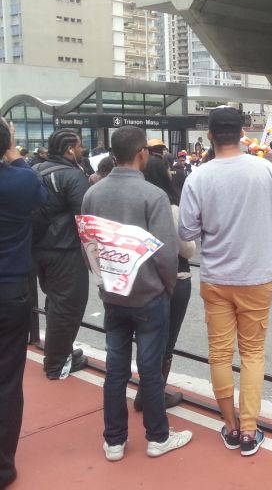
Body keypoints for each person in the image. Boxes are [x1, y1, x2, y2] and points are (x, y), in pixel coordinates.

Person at [179, 107, 272, 456]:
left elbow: (186, 232)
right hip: (256, 278)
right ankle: (249, 431)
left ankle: (229, 426)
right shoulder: (266, 170)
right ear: (243, 133)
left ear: (209, 135)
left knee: (219, 353)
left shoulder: (197, 176)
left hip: (215, 276)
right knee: (253, 354)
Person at [82, 126, 192, 461]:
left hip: (113, 293)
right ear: (142, 152)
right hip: (149, 295)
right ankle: (157, 436)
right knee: (150, 368)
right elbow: (164, 253)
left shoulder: (93, 194)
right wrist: (166, 287)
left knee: (115, 369)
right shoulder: (153, 196)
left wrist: (105, 278)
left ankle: (114, 440)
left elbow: (89, 245)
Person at [0, 120, 48, 487]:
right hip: (10, 288)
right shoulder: (21, 180)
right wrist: (11, 147)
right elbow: (38, 195)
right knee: (7, 378)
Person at [138, 155, 197, 411]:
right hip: (174, 277)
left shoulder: (135, 201)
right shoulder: (168, 206)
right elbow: (187, 249)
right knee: (165, 341)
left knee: (146, 339)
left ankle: (145, 390)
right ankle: (153, 395)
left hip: (141, 277)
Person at [32, 129, 91, 379]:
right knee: (68, 306)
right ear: (69, 149)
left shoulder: (34, 171)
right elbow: (84, 217)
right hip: (65, 250)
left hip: (38, 248)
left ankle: (60, 351)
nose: (82, 149)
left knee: (56, 302)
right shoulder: (72, 176)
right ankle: (56, 364)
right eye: (79, 145)